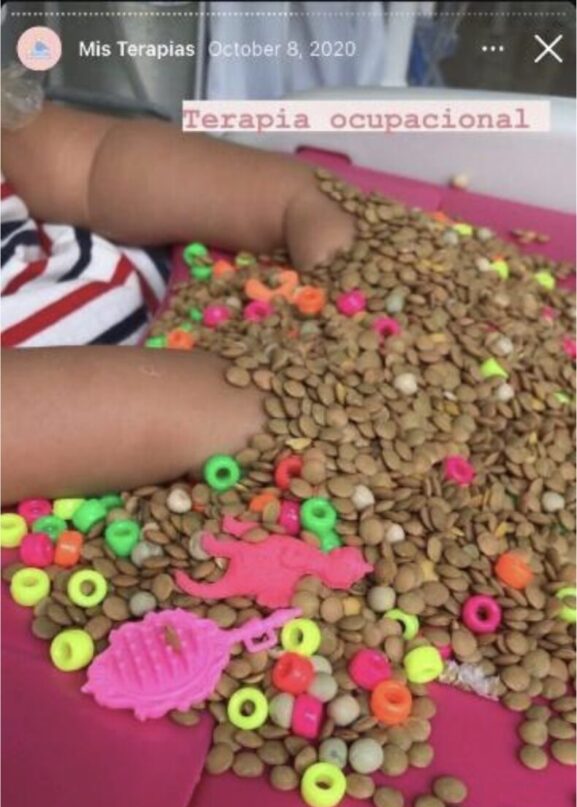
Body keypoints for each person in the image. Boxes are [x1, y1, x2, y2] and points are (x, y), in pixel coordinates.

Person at [1, 89, 354, 504]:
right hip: (95, 506)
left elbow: (90, 164)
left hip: (202, 302)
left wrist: (289, 198)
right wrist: (216, 402)